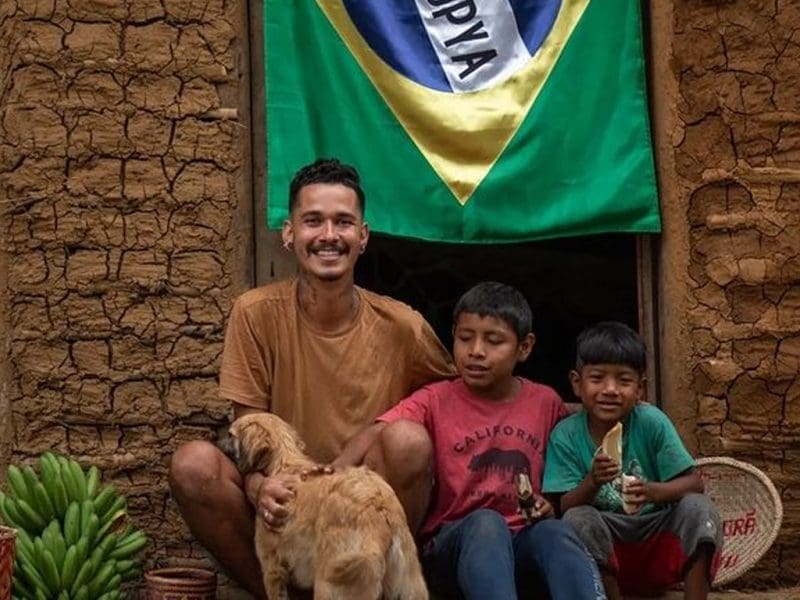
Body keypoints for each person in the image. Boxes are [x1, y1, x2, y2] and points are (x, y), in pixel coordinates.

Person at [168, 158, 455, 599]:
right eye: (313, 221)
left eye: (343, 222)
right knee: (193, 466)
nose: (328, 236)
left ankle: (374, 587)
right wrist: (261, 486)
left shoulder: (403, 326)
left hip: (361, 511)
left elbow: (453, 400)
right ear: (288, 234)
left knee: (409, 441)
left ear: (363, 237)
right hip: (286, 505)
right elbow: (249, 435)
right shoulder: (255, 313)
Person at [343, 282, 606, 600]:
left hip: (522, 540)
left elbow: (565, 464)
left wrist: (549, 505)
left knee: (556, 533)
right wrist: (323, 474)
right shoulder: (435, 399)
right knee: (486, 524)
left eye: (493, 341)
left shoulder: (545, 402)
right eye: (465, 338)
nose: (476, 351)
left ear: (524, 347)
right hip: (453, 544)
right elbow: (378, 430)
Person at [542, 321, 722, 600]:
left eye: (624, 381)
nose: (610, 389)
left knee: (699, 508)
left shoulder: (652, 422)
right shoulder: (566, 435)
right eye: (598, 378)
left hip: (656, 541)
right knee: (578, 518)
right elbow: (563, 506)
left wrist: (652, 491)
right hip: (606, 553)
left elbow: (694, 484)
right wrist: (592, 482)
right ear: (577, 384)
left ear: (641, 388)